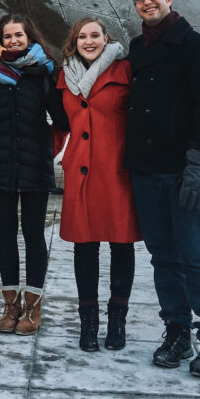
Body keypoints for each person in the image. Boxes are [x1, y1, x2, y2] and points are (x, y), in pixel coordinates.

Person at [125, 0, 200, 379]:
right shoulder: (137, 48)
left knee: (198, 258)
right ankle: (177, 332)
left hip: (182, 169)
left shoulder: (197, 47)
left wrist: (199, 163)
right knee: (163, 257)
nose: (146, 3)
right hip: (146, 170)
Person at [55, 18, 141, 352]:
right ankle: (88, 324)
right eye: (81, 37)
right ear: (73, 42)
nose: (88, 41)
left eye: (95, 36)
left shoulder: (124, 72)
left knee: (121, 246)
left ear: (106, 39)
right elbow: (58, 123)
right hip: (82, 171)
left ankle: (117, 323)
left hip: (116, 171)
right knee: (85, 247)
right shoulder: (64, 76)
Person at [0, 13, 58, 335]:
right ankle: (11, 306)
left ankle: (33, 307)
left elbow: (62, 114)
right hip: (0, 161)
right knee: (5, 235)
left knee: (33, 234)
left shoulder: (44, 73)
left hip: (34, 162)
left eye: (19, 36)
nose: (13, 41)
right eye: (7, 36)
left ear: (30, 38)